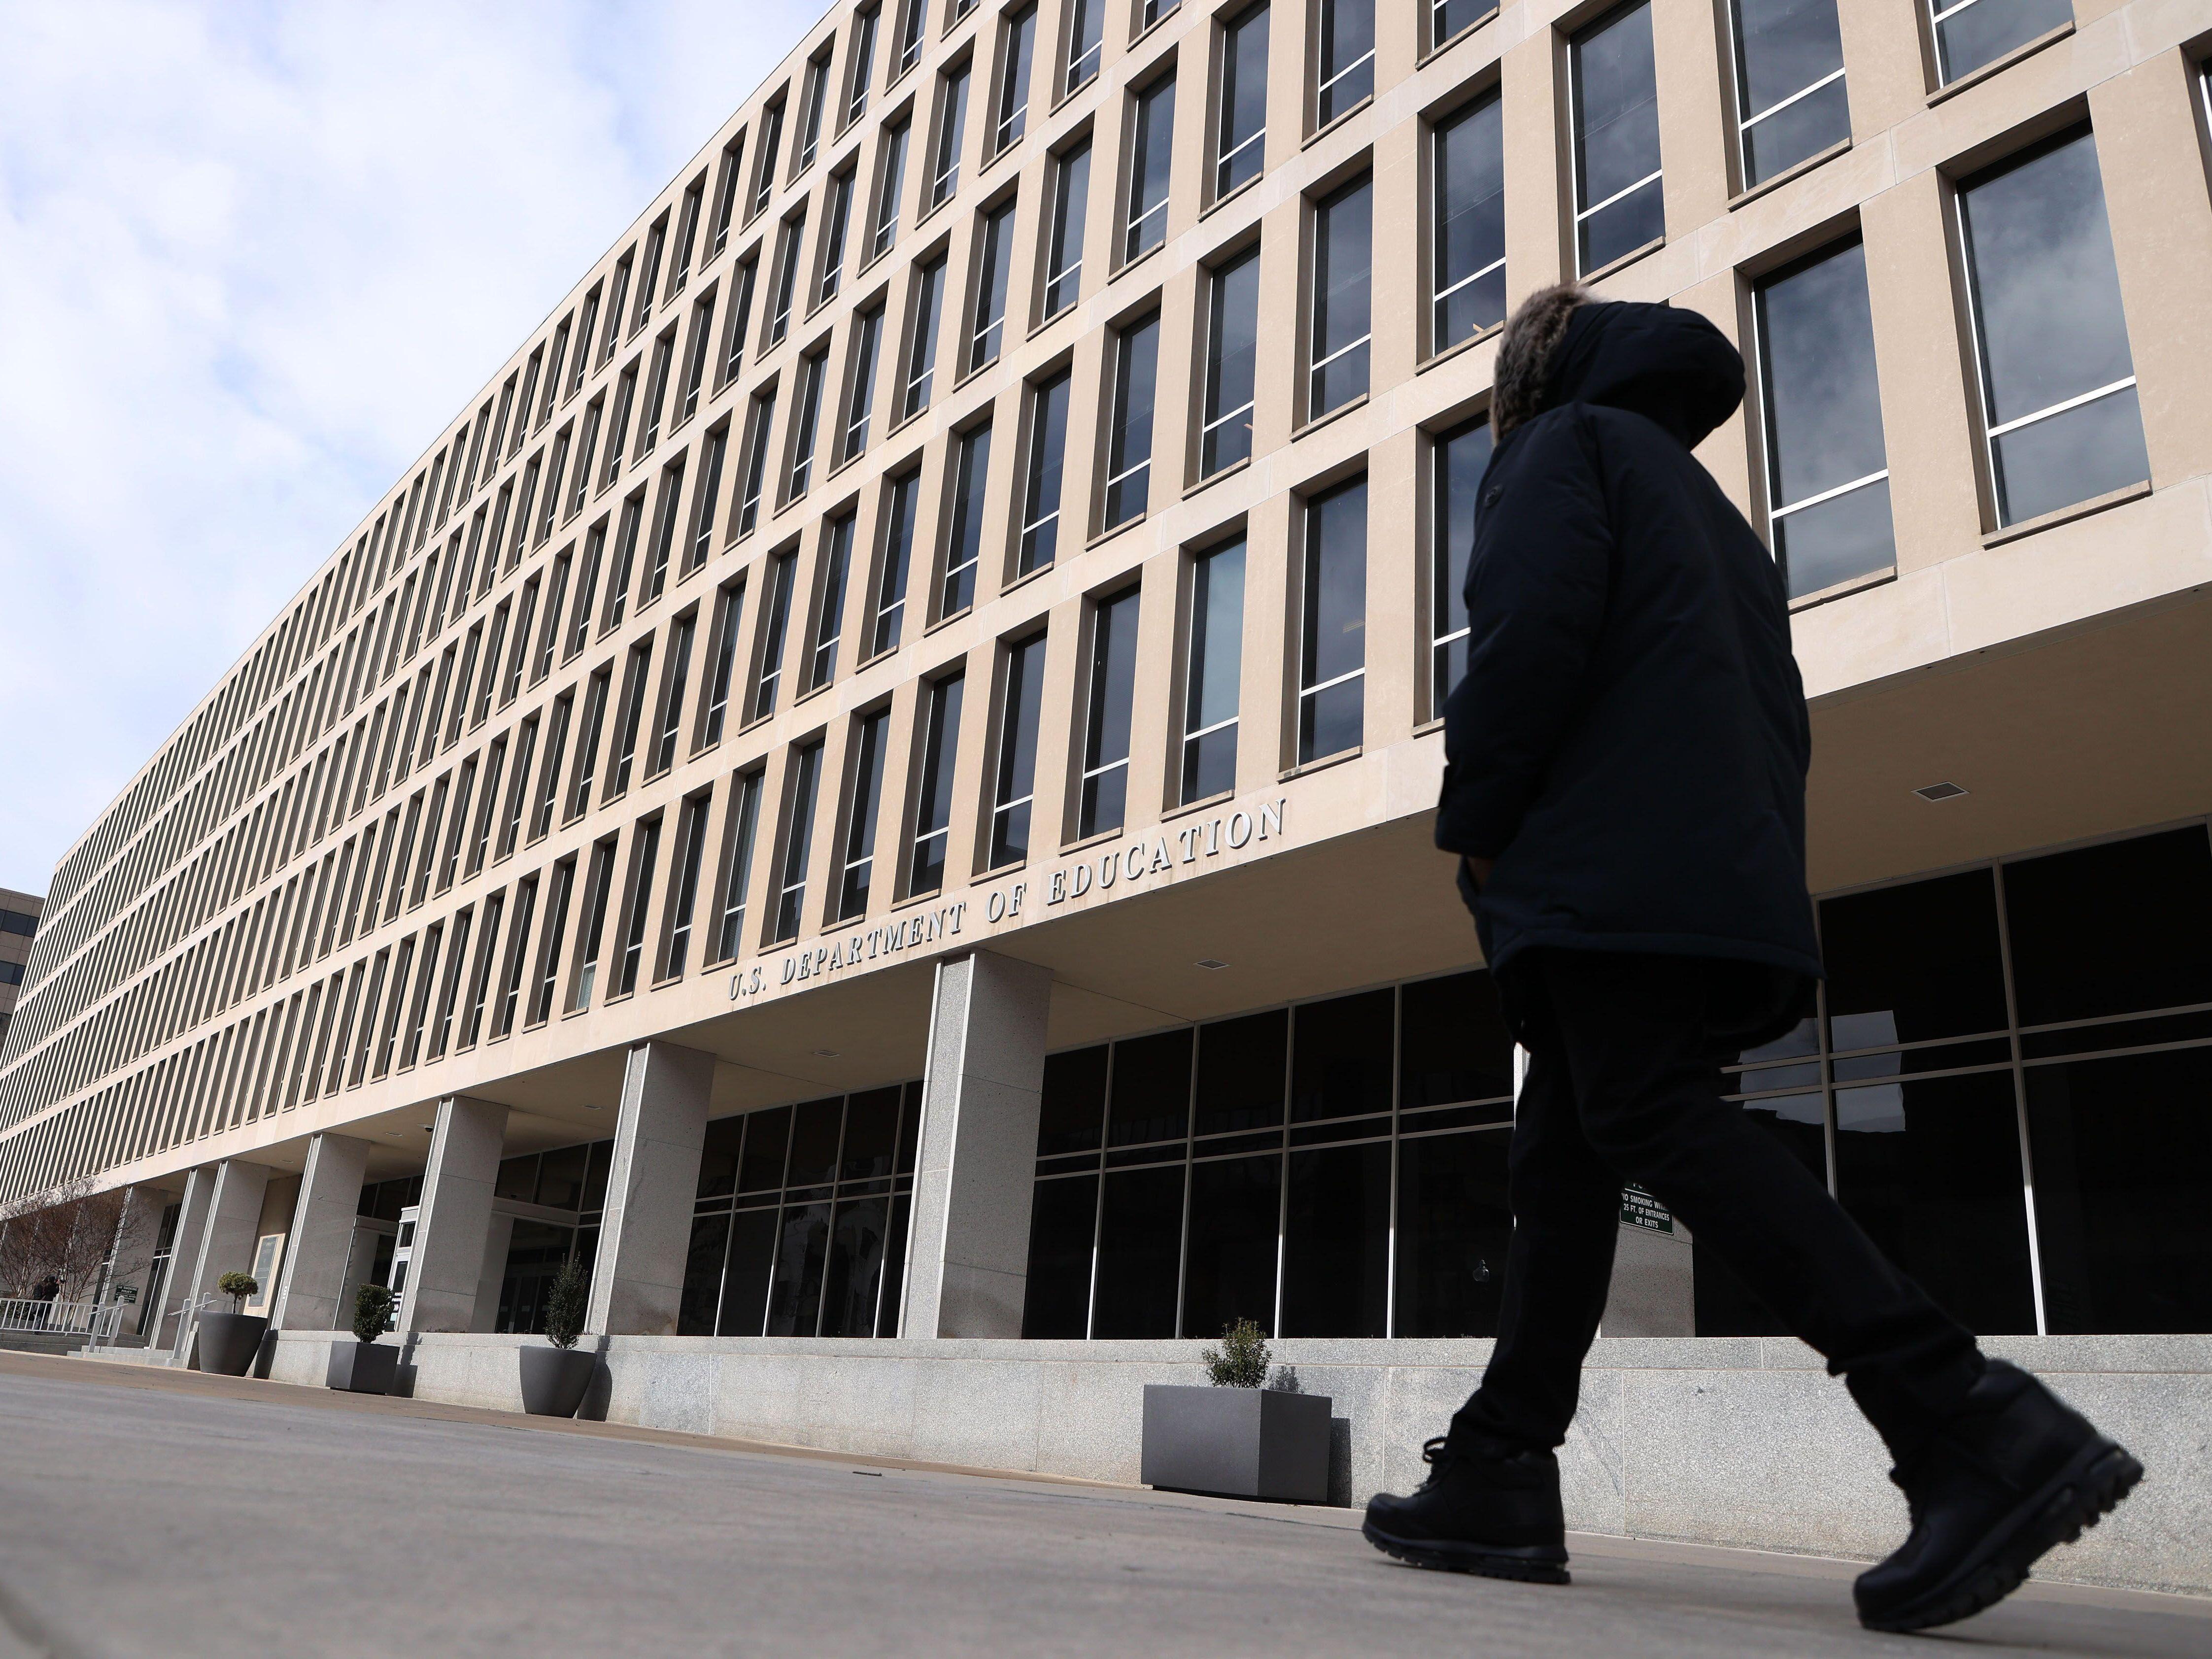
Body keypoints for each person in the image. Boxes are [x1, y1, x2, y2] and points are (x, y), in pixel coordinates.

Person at [1361, 284, 2142, 1633]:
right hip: (1702, 872)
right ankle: (1497, 1466)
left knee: (1646, 1118)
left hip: (1605, 865)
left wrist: (1477, 826)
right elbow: (1768, 714)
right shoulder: (1704, 509)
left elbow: (1526, 641)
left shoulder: (1563, 451)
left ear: (1532, 376)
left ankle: (1971, 1424)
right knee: (1565, 1163)